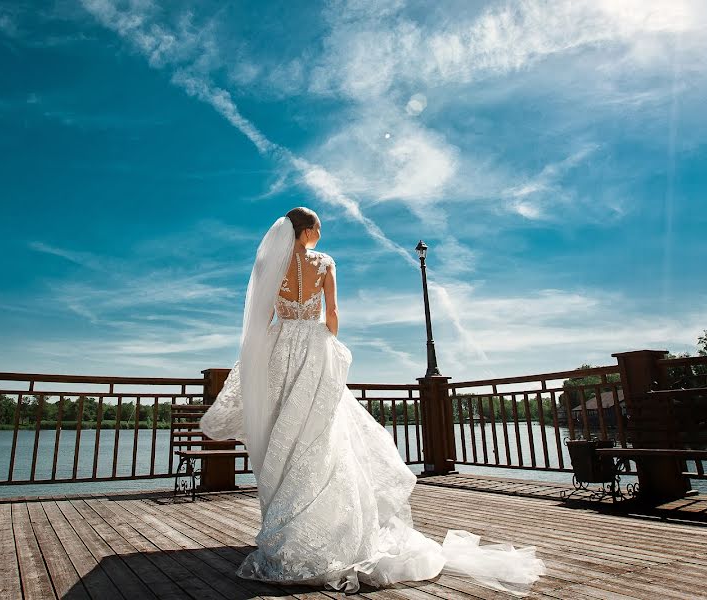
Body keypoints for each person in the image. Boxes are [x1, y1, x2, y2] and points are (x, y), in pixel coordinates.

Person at [200, 207, 546, 594]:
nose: (320, 233)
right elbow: (332, 315)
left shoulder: (270, 264)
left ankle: (287, 535)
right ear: (307, 230)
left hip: (281, 352)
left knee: (286, 433)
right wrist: (325, 336)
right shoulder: (324, 262)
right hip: (315, 351)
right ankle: (331, 531)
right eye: (318, 227)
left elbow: (261, 320)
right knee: (323, 435)